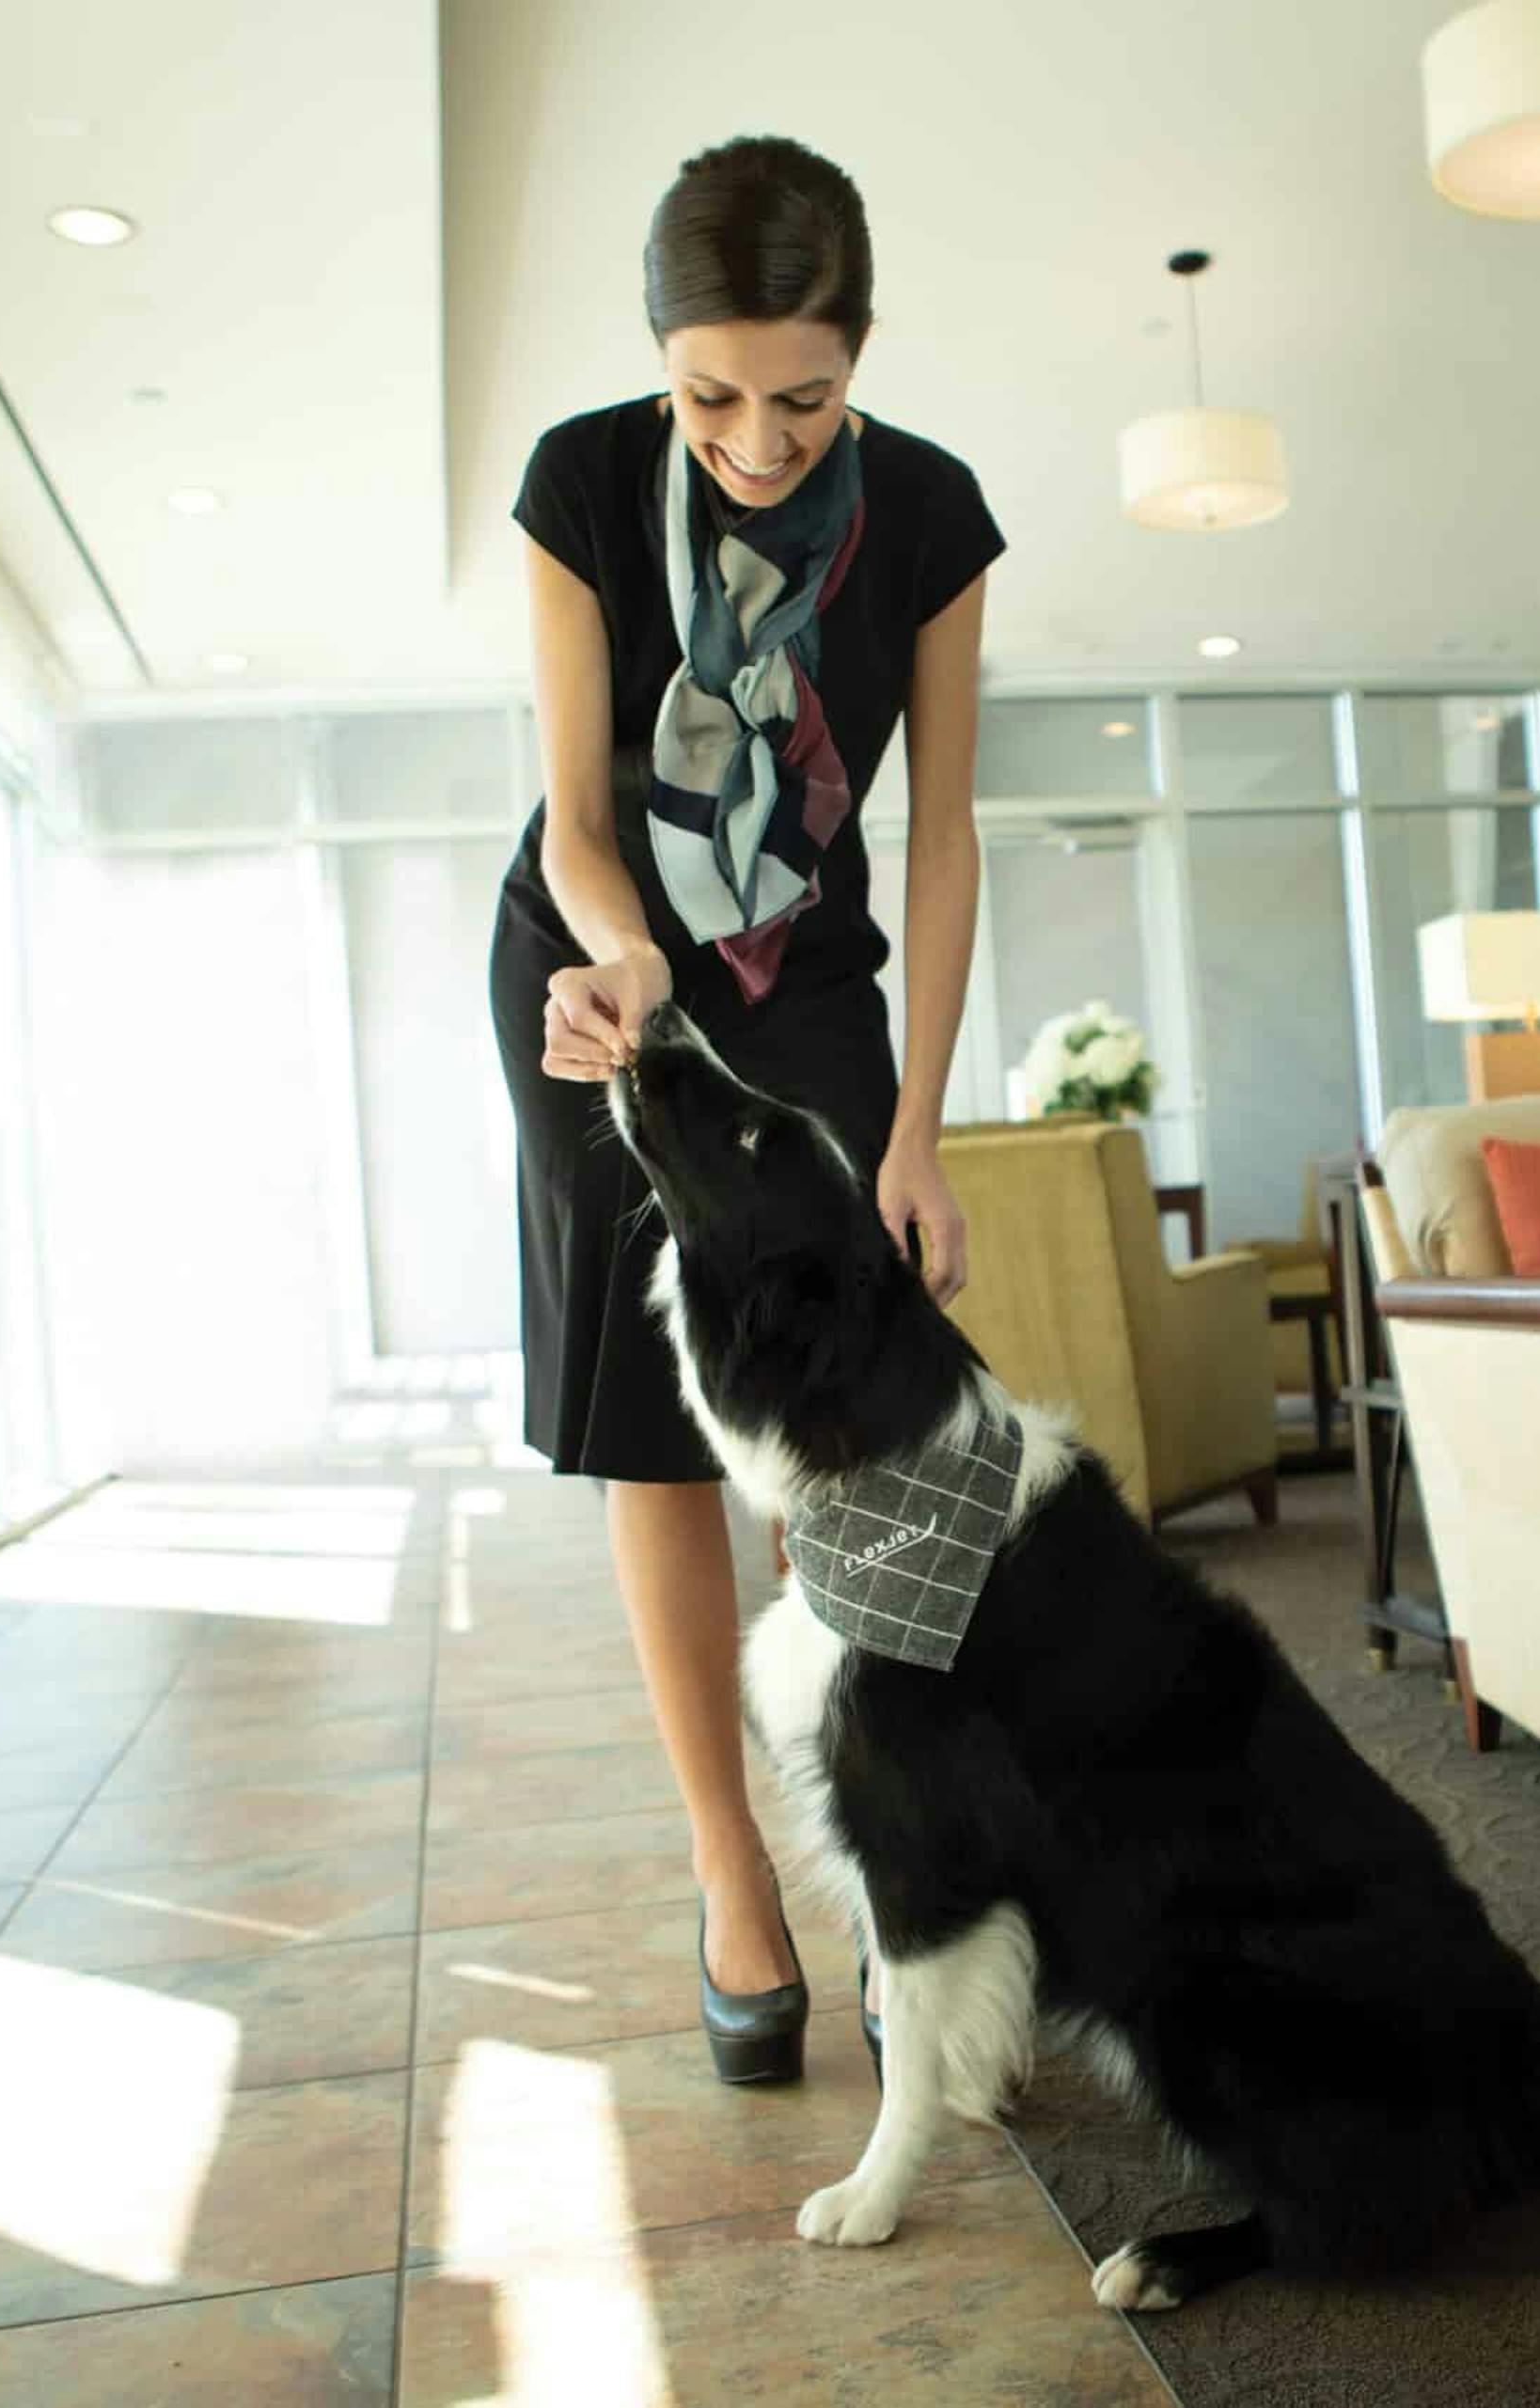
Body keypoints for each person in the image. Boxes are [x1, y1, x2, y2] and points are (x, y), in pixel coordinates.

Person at [487, 134, 998, 2085]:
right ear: (661, 361)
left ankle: (878, 1856)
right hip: (600, 969)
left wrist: (920, 1125)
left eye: (805, 397)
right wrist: (624, 963)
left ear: (858, 356)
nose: (758, 442)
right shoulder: (580, 484)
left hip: (809, 977)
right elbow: (579, 817)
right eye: (712, 397)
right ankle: (732, 1873)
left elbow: (937, 839)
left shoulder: (931, 514)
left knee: (847, 1438)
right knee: (659, 1428)